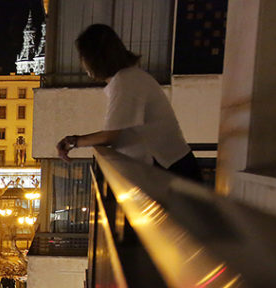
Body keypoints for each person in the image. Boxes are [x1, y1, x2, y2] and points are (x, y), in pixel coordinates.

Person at [57, 24, 202, 182]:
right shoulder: (130, 77)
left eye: (82, 57)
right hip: (172, 166)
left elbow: (110, 136)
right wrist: (74, 141)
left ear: (93, 59)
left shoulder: (125, 82)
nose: (82, 63)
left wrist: (74, 142)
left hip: (171, 169)